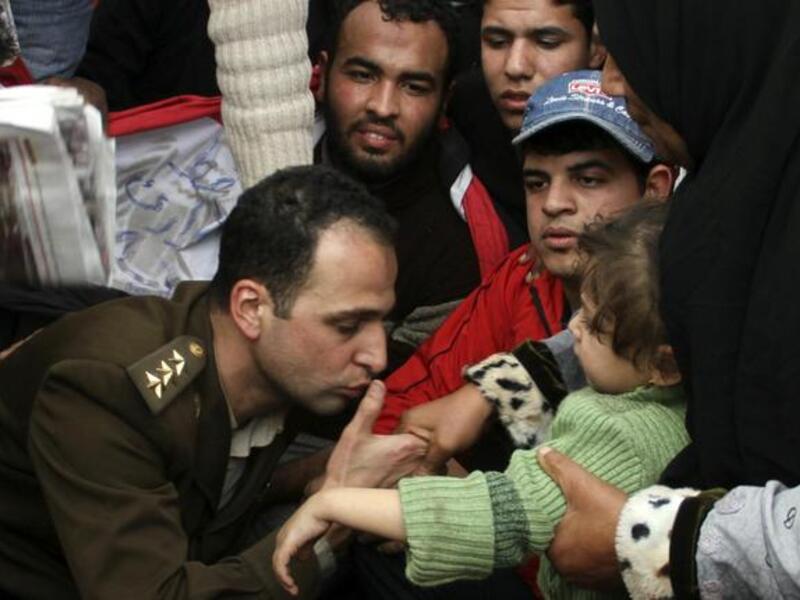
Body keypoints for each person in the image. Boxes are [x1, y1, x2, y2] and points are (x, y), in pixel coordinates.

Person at [0, 165, 429, 599]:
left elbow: (206, 487)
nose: (374, 355)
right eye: (348, 324)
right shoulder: (109, 391)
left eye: (380, 320)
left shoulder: (287, 359)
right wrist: (333, 519)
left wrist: (317, 473)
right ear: (250, 308)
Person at [518, 2, 800, 598]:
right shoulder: (732, 175)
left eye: (627, 52)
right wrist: (507, 388)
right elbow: (634, 319)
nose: (612, 82)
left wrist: (659, 543)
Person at [274, 202, 689, 600]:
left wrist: (335, 503)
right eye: (579, 308)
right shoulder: (684, 407)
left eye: (594, 325)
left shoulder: (614, 432)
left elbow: (504, 516)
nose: (573, 327)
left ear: (663, 366)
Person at [374, 70, 674, 464]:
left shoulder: (682, 295)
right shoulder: (520, 278)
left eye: (587, 179)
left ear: (654, 189)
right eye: (536, 183)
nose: (553, 203)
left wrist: (494, 392)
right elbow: (413, 401)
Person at [313, 0, 509, 371]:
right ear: (320, 76)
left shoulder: (455, 245)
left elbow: (400, 396)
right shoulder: (236, 171)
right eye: (362, 75)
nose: (384, 107)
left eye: (414, 86)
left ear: (444, 101)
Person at [448, 0, 605, 240]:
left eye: (547, 42)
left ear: (596, 49)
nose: (515, 66)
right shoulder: (461, 115)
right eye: (497, 42)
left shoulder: (643, 130)